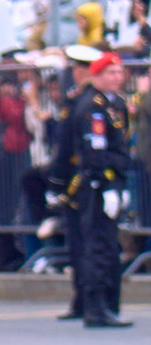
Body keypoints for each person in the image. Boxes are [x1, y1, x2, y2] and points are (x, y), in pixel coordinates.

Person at [52, 51, 133, 327]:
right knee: (98, 245)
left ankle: (109, 304)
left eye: (119, 72)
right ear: (96, 76)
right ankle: (96, 308)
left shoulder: (114, 103)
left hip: (112, 180)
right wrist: (106, 183)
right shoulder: (92, 106)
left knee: (108, 244)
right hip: (97, 183)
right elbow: (94, 150)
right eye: (111, 72)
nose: (117, 77)